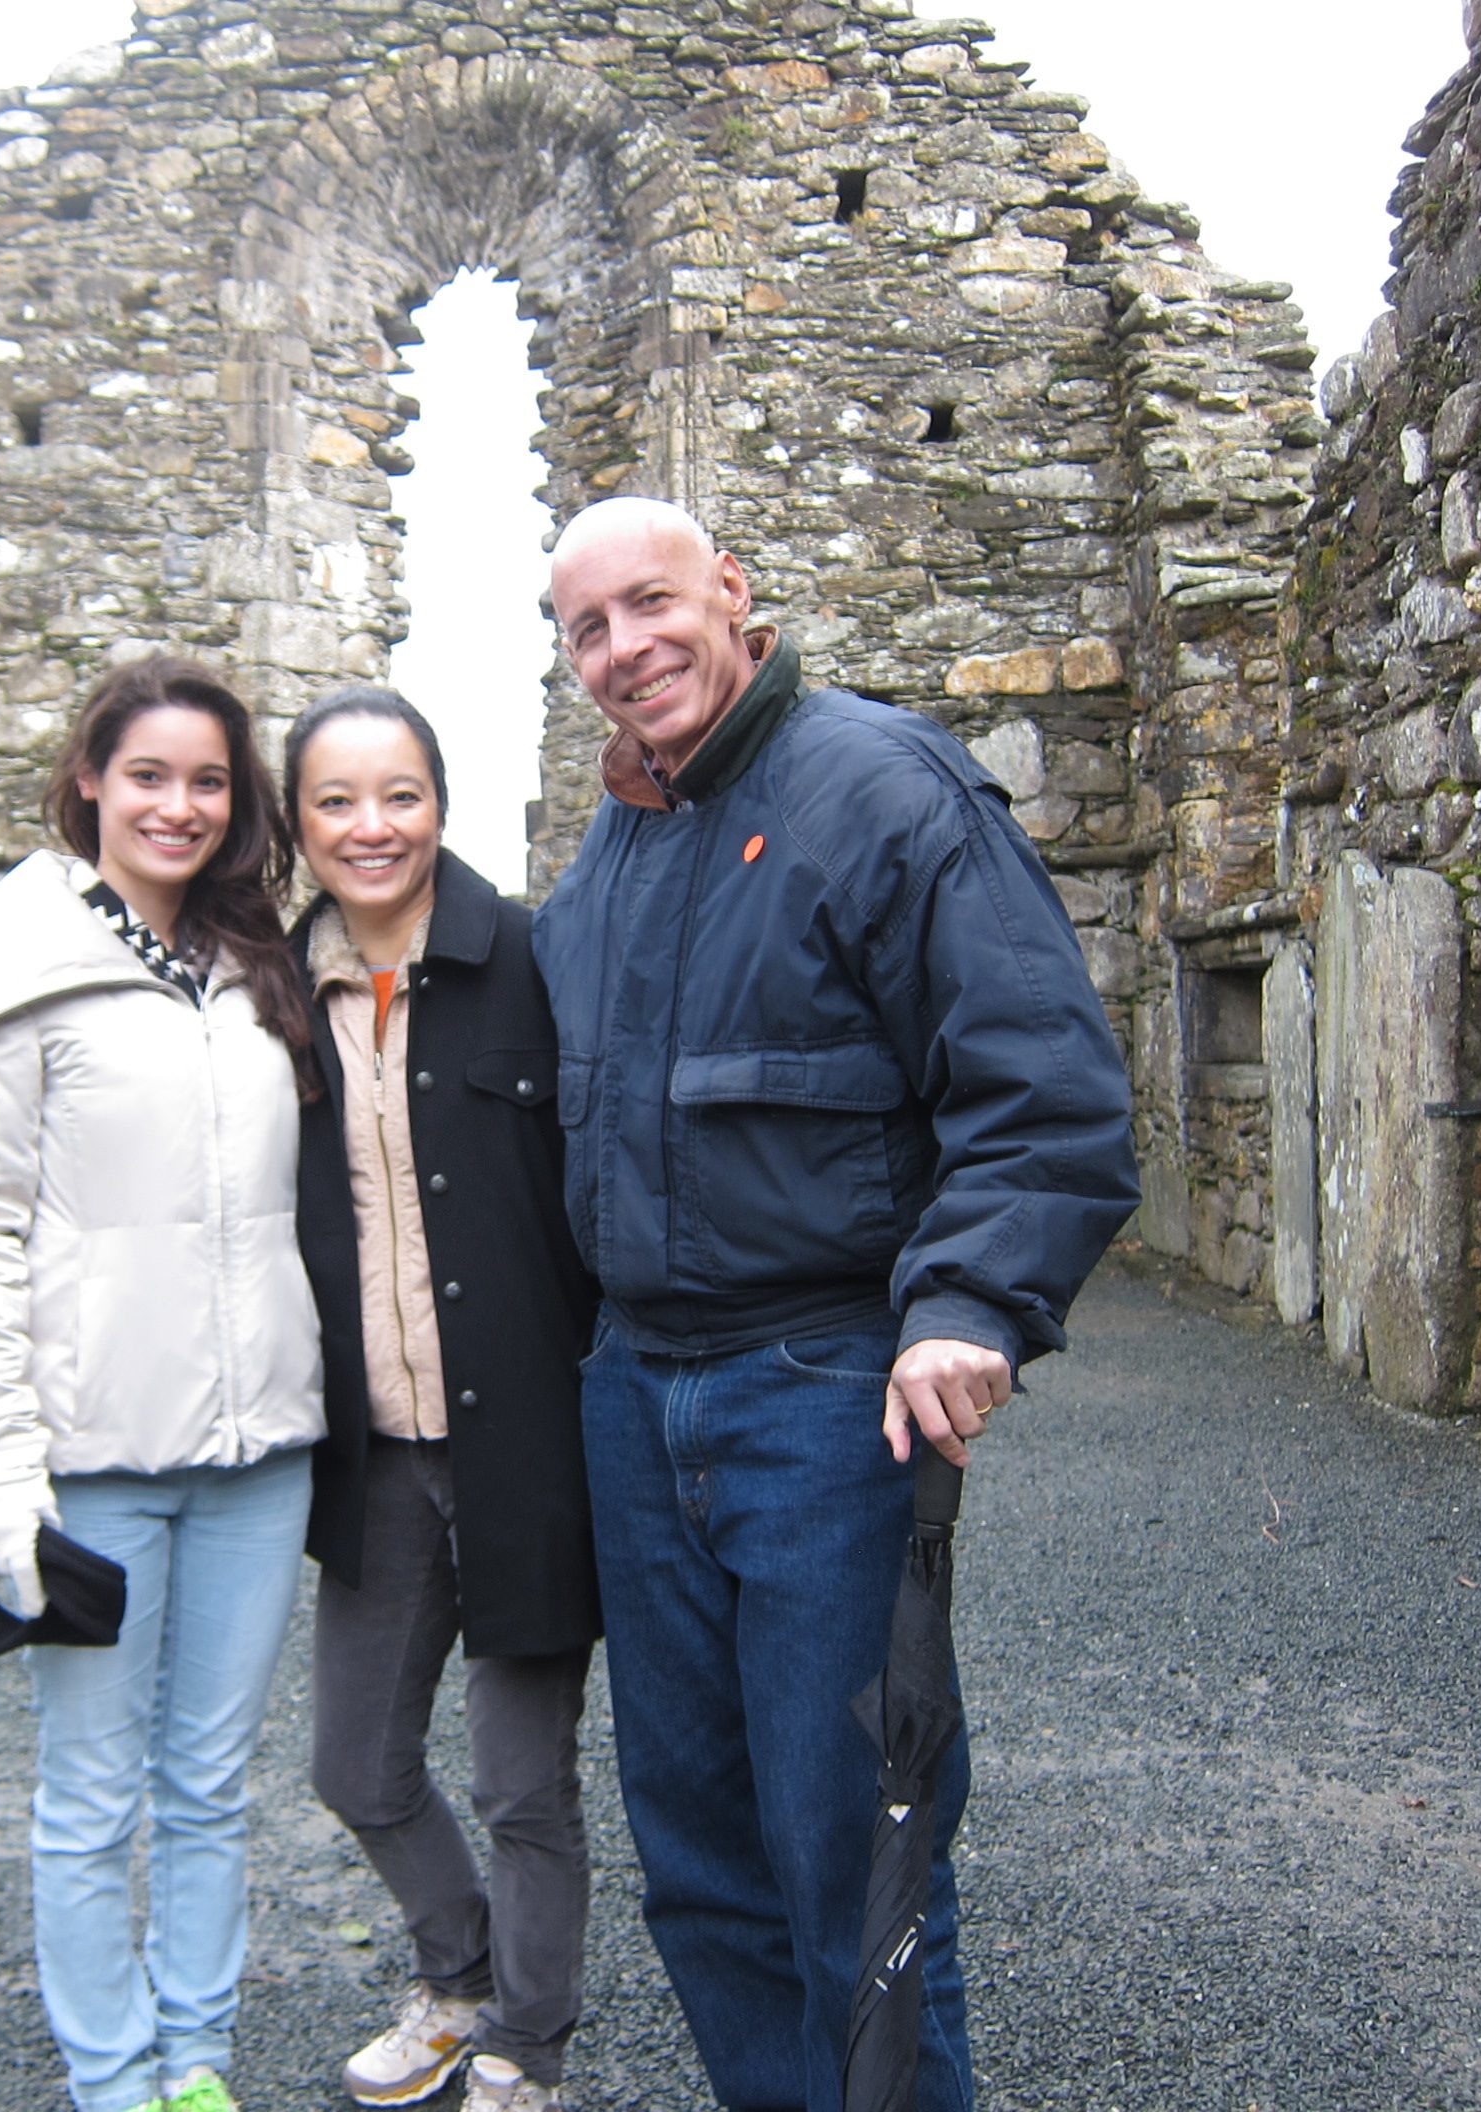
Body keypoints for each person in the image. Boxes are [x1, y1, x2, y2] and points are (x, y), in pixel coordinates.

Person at [531, 497, 1141, 2112]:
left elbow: (1042, 1083)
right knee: (701, 1859)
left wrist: (970, 1303)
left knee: (848, 1858)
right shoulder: (615, 844)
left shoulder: (882, 786)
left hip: (819, 1395)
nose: (623, 651)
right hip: (635, 1399)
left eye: (650, 606)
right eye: (586, 630)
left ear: (732, 591)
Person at [0, 656, 326, 2112]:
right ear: (89, 778)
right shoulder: (12, 961)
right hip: (90, 1455)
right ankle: (110, 2077)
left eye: (209, 781)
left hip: (260, 1452)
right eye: (148, 774)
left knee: (210, 1785)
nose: (179, 805)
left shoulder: (251, 961)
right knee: (92, 1796)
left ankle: (196, 2061)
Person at [282, 687, 601, 2112]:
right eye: (337, 800)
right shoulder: (276, 996)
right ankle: (457, 1979)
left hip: (527, 1442)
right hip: (374, 1454)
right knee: (357, 1763)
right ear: (297, 822)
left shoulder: (534, 961)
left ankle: (527, 2046)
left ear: (441, 804)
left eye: (398, 794)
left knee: (525, 1785)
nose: (371, 826)